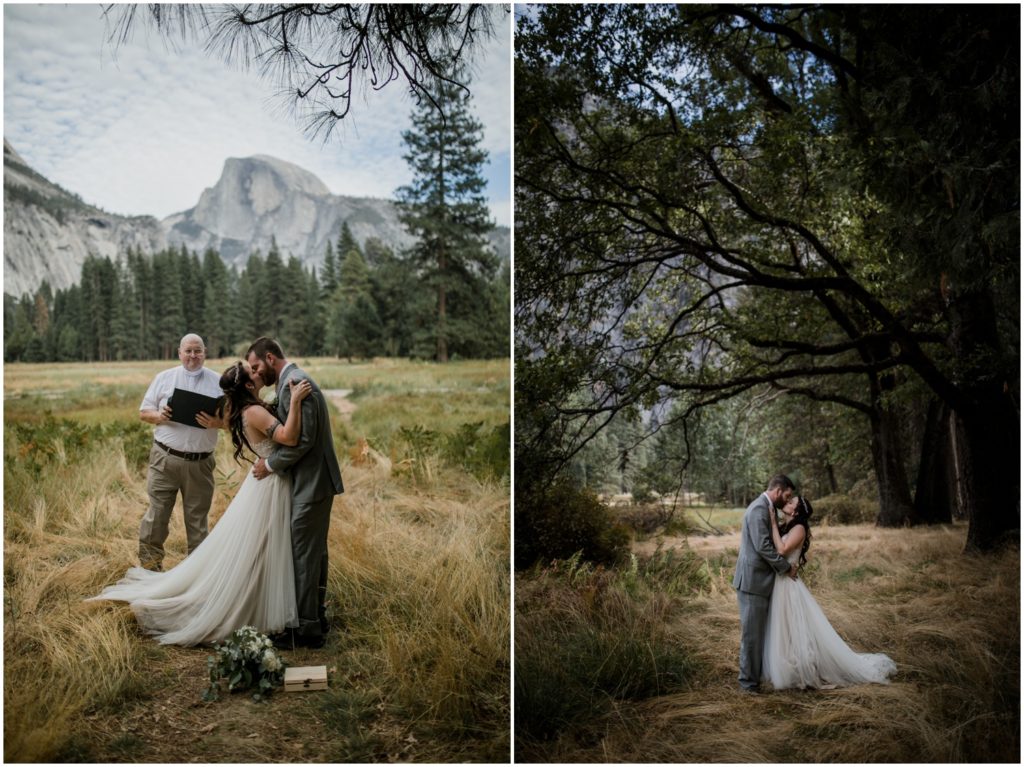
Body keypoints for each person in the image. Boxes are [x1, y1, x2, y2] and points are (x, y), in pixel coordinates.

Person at [88, 362, 313, 645]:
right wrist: (294, 402)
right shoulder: (253, 411)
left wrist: (219, 422)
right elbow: (290, 437)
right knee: (262, 546)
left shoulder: (242, 411)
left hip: (264, 482)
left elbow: (235, 422)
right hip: (270, 483)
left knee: (262, 548)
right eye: (253, 372)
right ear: (246, 385)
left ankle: (261, 597)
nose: (259, 373)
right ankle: (254, 604)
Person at [247, 337, 343, 649]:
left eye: (257, 366)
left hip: (312, 481)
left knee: (304, 553)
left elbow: (303, 442)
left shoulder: (296, 383)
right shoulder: (288, 383)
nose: (257, 373)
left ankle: (306, 630)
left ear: (271, 358)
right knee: (311, 552)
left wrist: (270, 465)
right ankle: (313, 616)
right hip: (307, 481)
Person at [763, 495, 897, 689]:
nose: (788, 503)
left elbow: (782, 550)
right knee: (783, 626)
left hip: (788, 585)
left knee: (794, 626)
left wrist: (773, 524)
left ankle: (803, 669)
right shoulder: (787, 527)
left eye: (792, 502)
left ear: (796, 511)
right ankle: (789, 666)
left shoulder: (799, 528)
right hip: (781, 581)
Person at [137, 333, 222, 571]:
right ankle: (150, 571)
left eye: (198, 351)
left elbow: (233, 420)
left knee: (197, 523)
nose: (193, 356)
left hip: (200, 464)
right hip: (165, 459)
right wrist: (159, 416)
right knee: (156, 517)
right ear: (179, 353)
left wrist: (217, 423)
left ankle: (195, 577)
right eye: (188, 351)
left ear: (205, 352)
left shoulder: (218, 382)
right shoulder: (164, 378)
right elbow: (144, 413)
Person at [733, 474, 798, 694]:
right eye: (787, 495)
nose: (787, 501)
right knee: (752, 636)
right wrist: (786, 568)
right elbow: (763, 547)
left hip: (760, 581)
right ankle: (748, 684)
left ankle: (754, 679)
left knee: (758, 634)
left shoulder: (765, 509)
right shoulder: (759, 509)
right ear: (778, 491)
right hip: (753, 582)